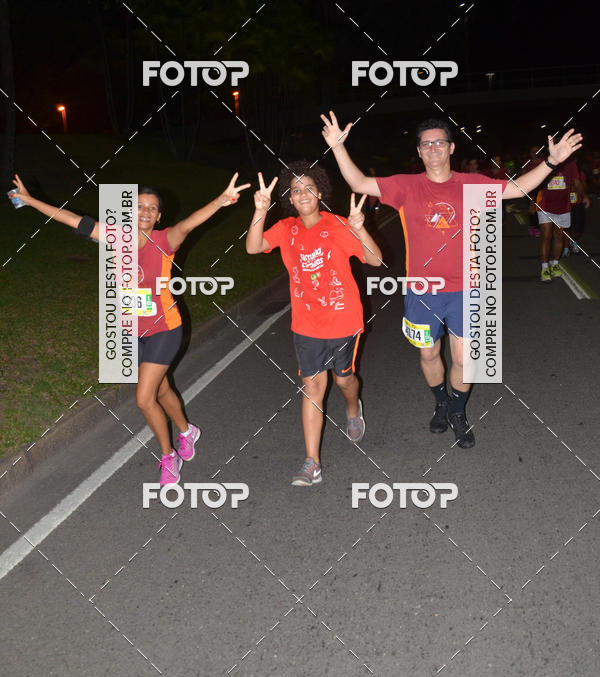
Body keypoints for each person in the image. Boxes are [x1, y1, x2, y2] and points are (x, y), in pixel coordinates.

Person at [319, 112, 583, 448]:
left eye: (438, 142)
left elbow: (517, 189)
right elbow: (358, 183)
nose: (432, 149)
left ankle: (457, 411)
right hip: (422, 290)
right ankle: (440, 403)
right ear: (419, 151)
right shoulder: (405, 186)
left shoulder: (472, 184)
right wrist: (339, 148)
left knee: (464, 359)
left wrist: (550, 161)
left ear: (451, 147)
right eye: (426, 144)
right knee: (429, 355)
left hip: (467, 288)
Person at [10, 173, 249, 484]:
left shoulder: (166, 240)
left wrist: (221, 199)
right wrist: (29, 200)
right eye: (139, 206)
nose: (146, 212)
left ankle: (168, 456)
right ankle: (188, 431)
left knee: (143, 398)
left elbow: (190, 223)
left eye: (152, 208)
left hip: (165, 327)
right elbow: (73, 220)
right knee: (161, 389)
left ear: (159, 215)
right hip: (131, 330)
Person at [245, 162, 382, 486]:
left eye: (308, 188)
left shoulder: (337, 225)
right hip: (306, 324)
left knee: (345, 379)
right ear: (289, 199)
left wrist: (360, 228)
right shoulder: (286, 228)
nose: (302, 194)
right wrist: (260, 210)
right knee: (312, 388)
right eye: (295, 190)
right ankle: (311, 462)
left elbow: (375, 260)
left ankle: (352, 409)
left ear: (319, 193)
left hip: (344, 321)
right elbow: (253, 247)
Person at [533, 158, 586, 280]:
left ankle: (555, 264)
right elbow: (535, 182)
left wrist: (585, 196)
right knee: (546, 236)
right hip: (544, 205)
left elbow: (577, 182)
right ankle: (545, 267)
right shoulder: (546, 161)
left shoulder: (571, 163)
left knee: (559, 236)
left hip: (563, 206)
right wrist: (532, 202)